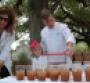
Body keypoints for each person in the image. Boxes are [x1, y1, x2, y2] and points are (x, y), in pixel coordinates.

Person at [0, 6, 15, 78]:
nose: (2, 21)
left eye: (5, 19)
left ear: (9, 21)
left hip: (4, 63)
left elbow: (6, 51)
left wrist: (0, 63)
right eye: (1, 18)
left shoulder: (11, 33)